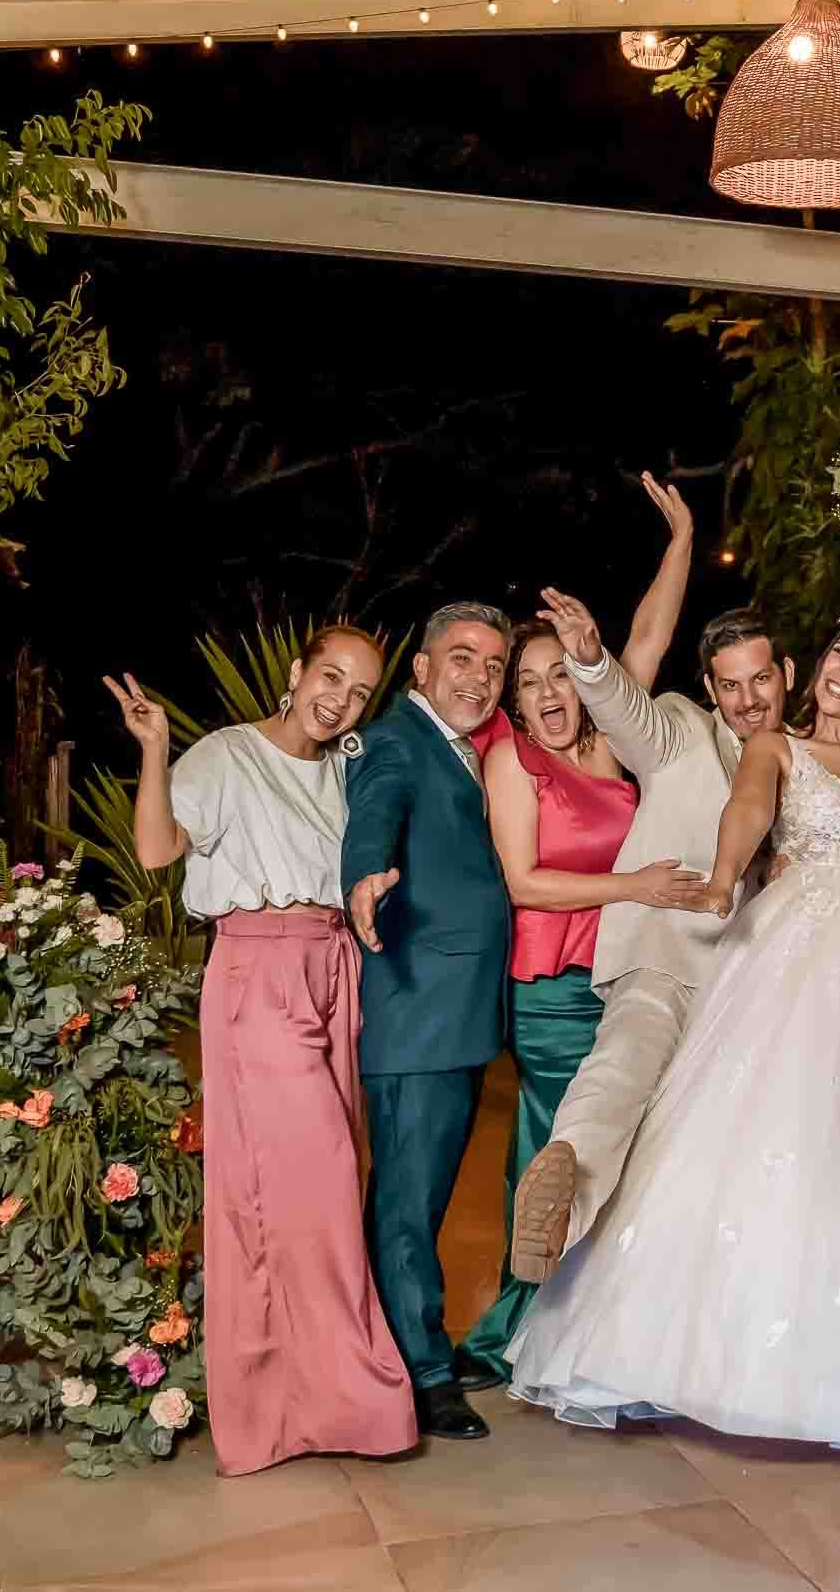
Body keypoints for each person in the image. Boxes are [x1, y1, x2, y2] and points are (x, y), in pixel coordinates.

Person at [509, 468, 840, 1451]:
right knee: (763, 1131)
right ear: (817, 667)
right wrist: (719, 875)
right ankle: (681, 1329)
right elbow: (747, 812)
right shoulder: (775, 749)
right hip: (792, 949)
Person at [103, 629, 416, 1477]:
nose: (341, 699)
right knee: (310, 1188)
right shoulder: (227, 755)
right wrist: (157, 752)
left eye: (359, 690)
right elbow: (158, 849)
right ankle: (356, 1389)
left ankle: (292, 1401)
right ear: (295, 673)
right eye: (330, 677)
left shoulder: (349, 770)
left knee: (308, 1188)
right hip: (258, 967)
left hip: (333, 967)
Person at [460, 482, 713, 1378]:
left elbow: (648, 636)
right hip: (558, 987)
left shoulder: (611, 744)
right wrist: (634, 883)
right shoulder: (509, 761)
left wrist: (681, 536)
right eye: (527, 685)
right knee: (558, 1152)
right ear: (516, 706)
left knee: (635, 1150)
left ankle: (606, 1335)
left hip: (635, 975)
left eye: (558, 673)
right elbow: (525, 882)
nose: (547, 693)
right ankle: (514, 1333)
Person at [501, 572, 798, 1286]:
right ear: (708, 687)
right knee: (624, 1061)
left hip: (758, 984)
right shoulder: (679, 730)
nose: (747, 699)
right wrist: (589, 662)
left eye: (760, 680)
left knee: (710, 1156)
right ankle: (558, 1195)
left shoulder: (809, 759)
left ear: (787, 673)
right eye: (729, 685)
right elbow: (622, 705)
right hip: (666, 952)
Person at [341, 601, 514, 1443]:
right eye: (462, 657)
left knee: (424, 1194)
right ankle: (422, 1372)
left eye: (493, 664)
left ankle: (411, 1340)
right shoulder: (393, 741)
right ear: (420, 668)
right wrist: (366, 875)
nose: (479, 676)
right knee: (408, 1202)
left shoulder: (463, 751)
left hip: (457, 1013)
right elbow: (375, 810)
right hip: (415, 1012)